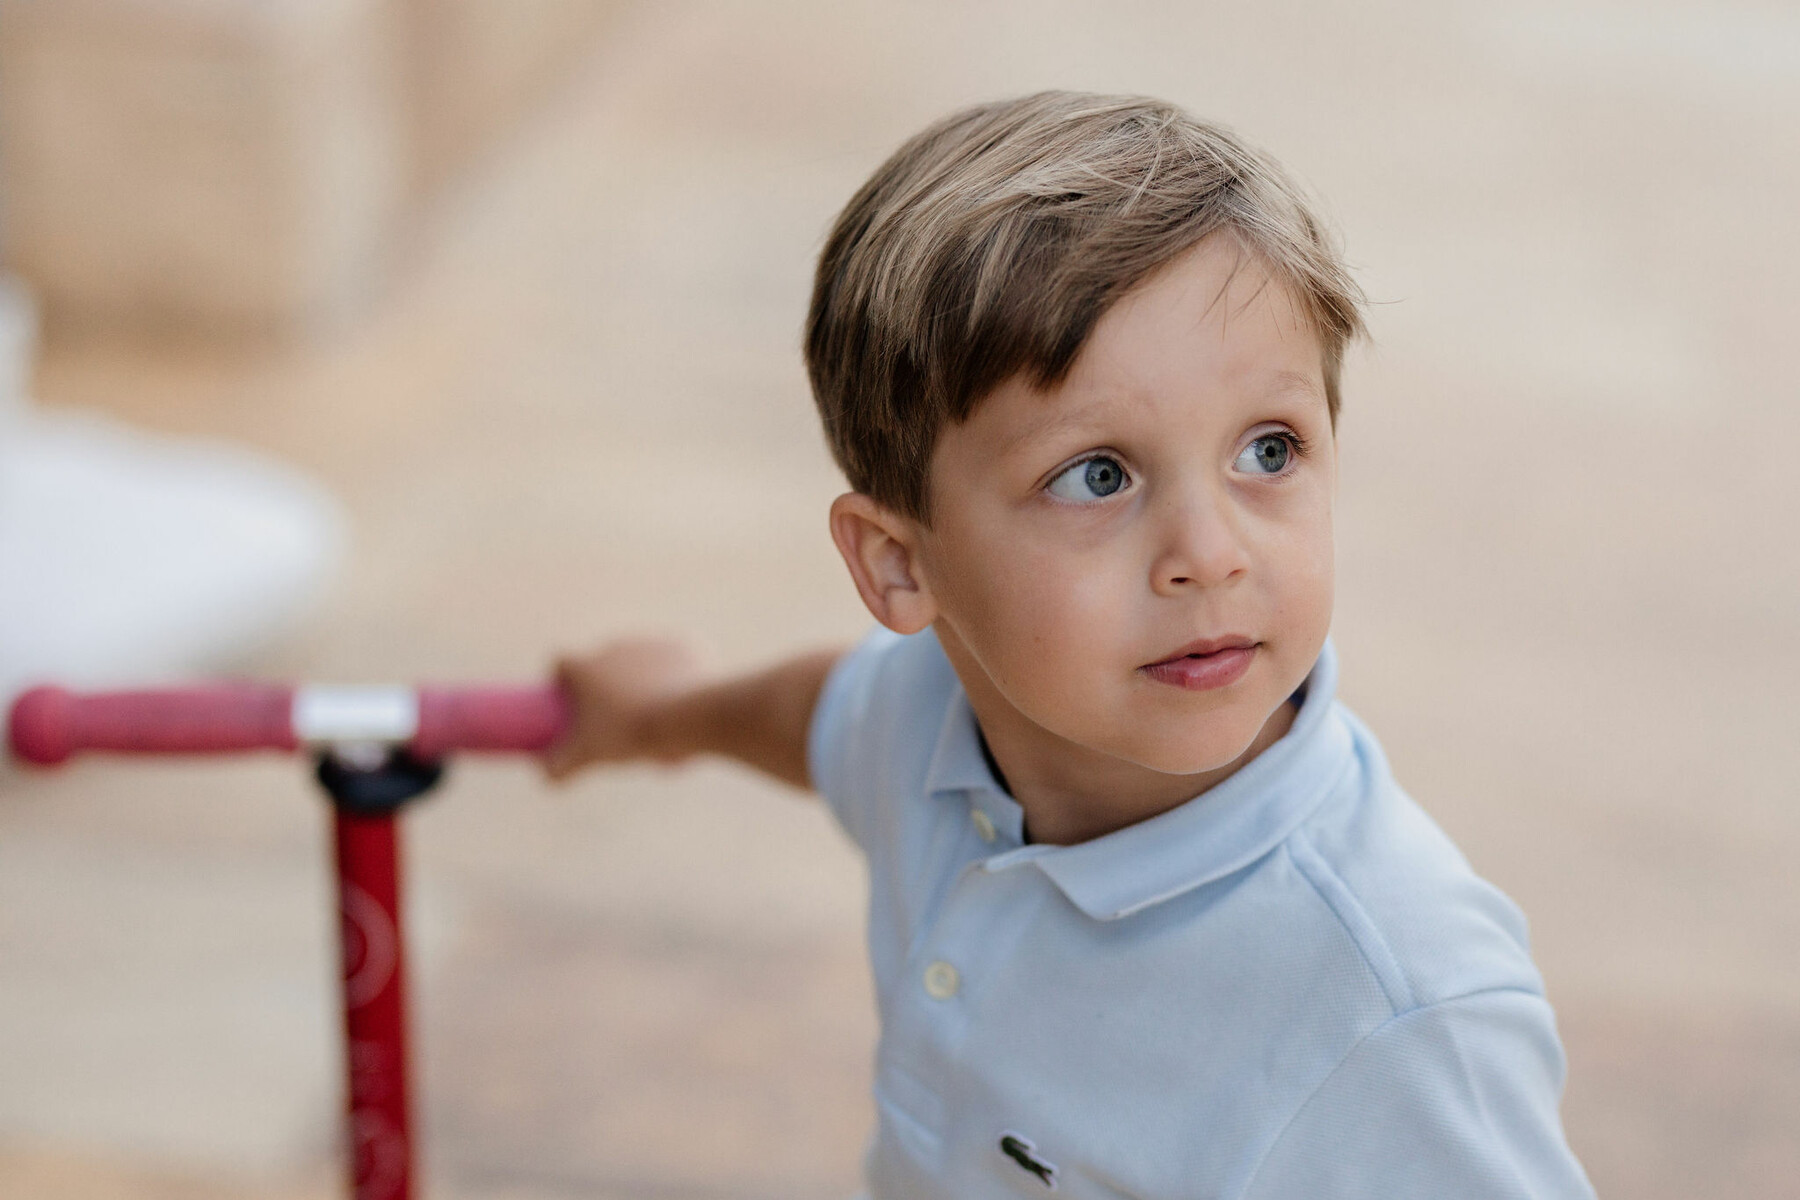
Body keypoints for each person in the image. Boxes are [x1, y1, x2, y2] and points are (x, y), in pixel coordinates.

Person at [546, 91, 1595, 1198]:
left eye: (1270, 450)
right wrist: (658, 713)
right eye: (1097, 474)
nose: (1210, 553)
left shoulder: (1392, 1013)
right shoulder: (924, 718)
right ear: (901, 566)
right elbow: (823, 717)